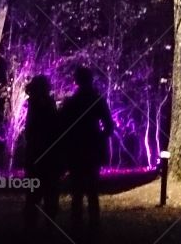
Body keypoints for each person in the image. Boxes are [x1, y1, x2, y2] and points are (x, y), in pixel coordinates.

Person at [59, 67, 114, 233]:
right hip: (91, 149)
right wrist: (100, 138)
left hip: (76, 149)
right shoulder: (97, 100)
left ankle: (77, 224)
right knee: (91, 189)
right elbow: (109, 125)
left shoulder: (72, 102)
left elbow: (62, 125)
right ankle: (93, 223)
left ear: (77, 81)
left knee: (77, 190)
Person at [24, 75, 62, 234]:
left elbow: (30, 131)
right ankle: (47, 225)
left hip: (35, 154)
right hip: (46, 154)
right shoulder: (45, 105)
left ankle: (33, 226)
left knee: (34, 192)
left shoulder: (34, 104)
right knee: (48, 191)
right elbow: (53, 128)